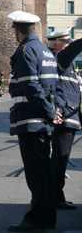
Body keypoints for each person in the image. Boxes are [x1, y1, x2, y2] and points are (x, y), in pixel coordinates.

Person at [7, 11, 63, 232]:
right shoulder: (45, 51)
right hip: (44, 117)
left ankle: (37, 218)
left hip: (31, 117)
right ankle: (48, 216)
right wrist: (54, 111)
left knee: (36, 172)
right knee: (45, 169)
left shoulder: (25, 51)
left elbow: (31, 87)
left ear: (17, 31)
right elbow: (54, 86)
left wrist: (49, 112)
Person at [46, 28, 82, 211]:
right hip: (66, 116)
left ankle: (54, 196)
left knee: (61, 158)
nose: (68, 44)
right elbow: (71, 50)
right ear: (56, 45)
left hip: (71, 114)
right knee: (60, 158)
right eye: (65, 42)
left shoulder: (65, 64)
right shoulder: (57, 59)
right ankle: (55, 197)